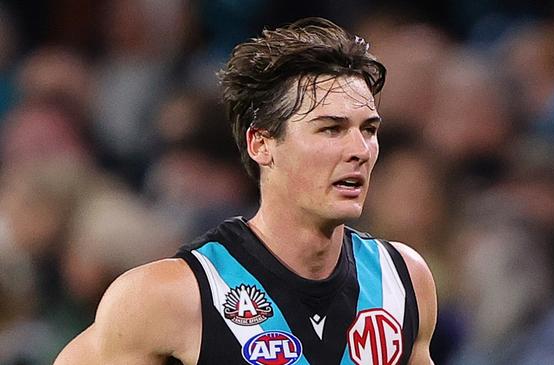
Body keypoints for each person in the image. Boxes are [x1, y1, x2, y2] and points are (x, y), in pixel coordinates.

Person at [54, 17, 437, 365]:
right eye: (331, 129)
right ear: (261, 144)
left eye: (368, 130)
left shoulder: (404, 281)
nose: (359, 150)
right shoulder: (170, 295)